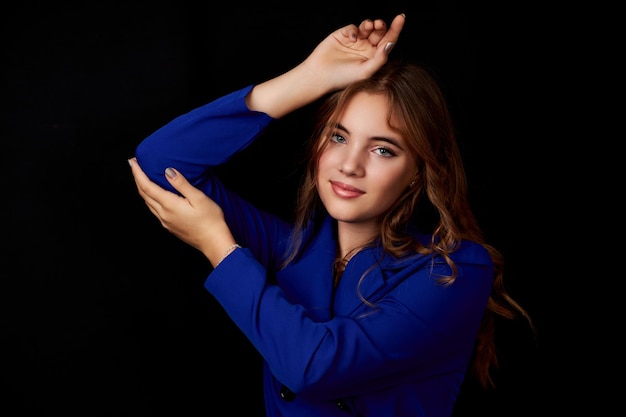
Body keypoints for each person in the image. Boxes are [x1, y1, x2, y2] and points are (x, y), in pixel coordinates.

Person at [128, 13, 533, 417]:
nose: (349, 165)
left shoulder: (455, 269)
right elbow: (161, 162)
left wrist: (219, 247)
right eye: (339, 137)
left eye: (383, 149)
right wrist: (310, 77)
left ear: (417, 174)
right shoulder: (289, 248)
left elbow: (313, 367)